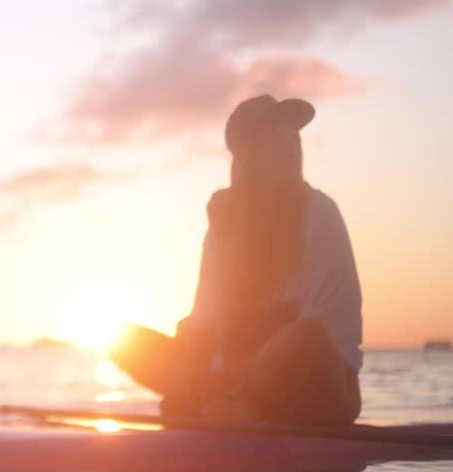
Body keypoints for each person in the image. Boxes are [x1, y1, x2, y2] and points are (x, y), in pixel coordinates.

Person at [109, 94, 363, 426]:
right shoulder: (224, 224)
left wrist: (229, 379)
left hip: (314, 384)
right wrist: (192, 364)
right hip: (232, 376)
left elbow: (327, 338)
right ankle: (224, 402)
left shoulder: (320, 213)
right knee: (122, 341)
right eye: (276, 139)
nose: (291, 148)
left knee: (306, 337)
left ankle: (219, 403)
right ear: (248, 157)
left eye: (294, 138)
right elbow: (205, 319)